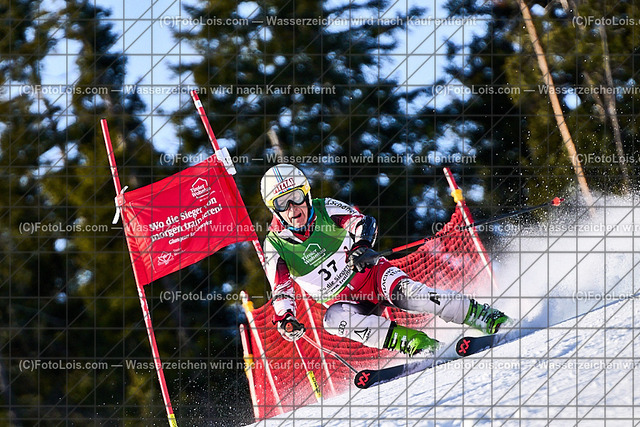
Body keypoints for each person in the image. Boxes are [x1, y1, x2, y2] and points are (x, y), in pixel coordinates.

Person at [261, 164, 509, 357]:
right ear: (274, 210)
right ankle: (418, 344)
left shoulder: (325, 208)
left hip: (373, 276)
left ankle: (483, 316)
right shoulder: (275, 245)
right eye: (282, 204)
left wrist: (361, 245)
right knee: (332, 321)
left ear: (306, 193)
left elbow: (362, 222)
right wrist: (286, 318)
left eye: (296, 197)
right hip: (344, 302)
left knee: (415, 295)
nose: (293, 209)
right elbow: (281, 290)